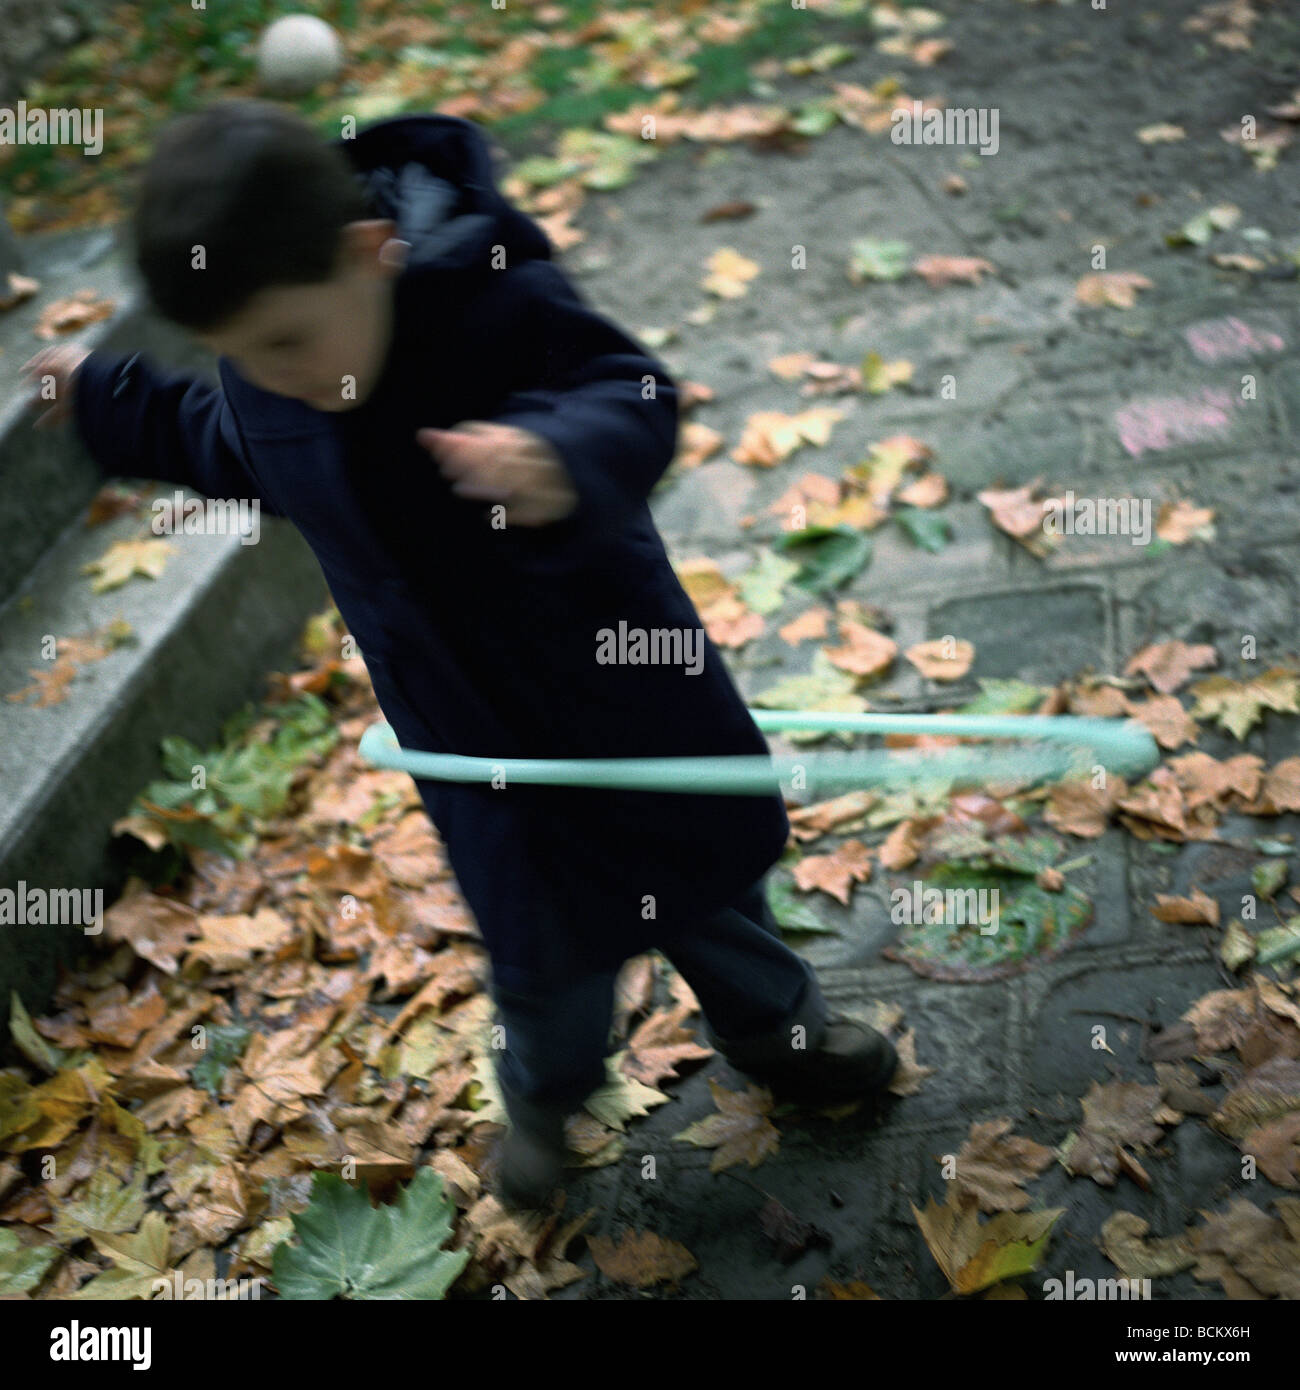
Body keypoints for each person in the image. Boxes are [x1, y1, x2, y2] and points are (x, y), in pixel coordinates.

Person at [22, 99, 897, 1211]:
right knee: (543, 961)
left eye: (285, 342)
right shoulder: (276, 376)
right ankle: (546, 1094)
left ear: (368, 254)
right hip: (480, 755)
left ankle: (780, 1031)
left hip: (625, 698)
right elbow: (218, 435)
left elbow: (632, 392)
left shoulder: (493, 302)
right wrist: (106, 396)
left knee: (709, 891)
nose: (270, 375)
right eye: (240, 355)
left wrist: (559, 455)